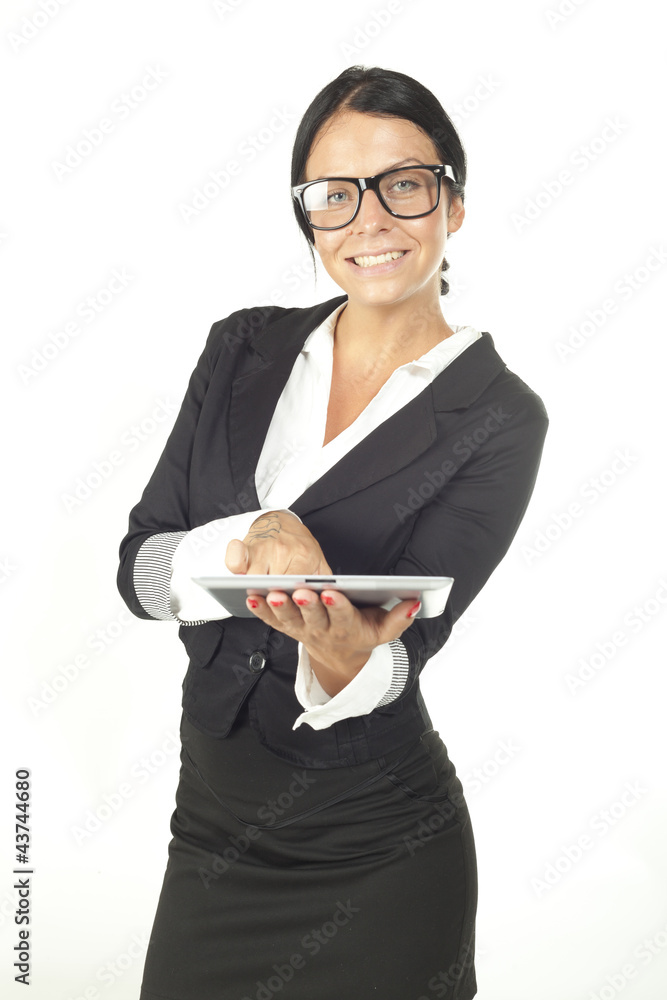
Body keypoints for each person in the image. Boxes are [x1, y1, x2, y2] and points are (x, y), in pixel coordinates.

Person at [117, 65, 548, 1000]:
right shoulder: (241, 348)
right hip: (211, 834)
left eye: (404, 185)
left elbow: (405, 653)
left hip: (377, 849)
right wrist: (257, 534)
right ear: (308, 216)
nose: (369, 220)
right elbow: (140, 574)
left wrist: (348, 652)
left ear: (453, 204)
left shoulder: (499, 416)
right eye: (334, 194)